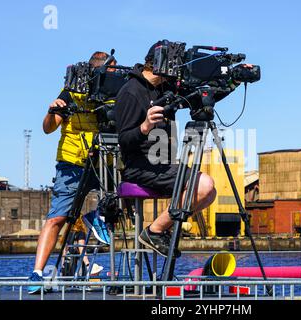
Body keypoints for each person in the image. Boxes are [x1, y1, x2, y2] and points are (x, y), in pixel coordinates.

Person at [115, 40, 225, 257]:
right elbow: (125, 140)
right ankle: (154, 231)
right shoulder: (131, 91)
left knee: (209, 193)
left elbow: (199, 96)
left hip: (162, 164)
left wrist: (233, 79)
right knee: (204, 185)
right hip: (140, 166)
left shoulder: (165, 87)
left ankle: (159, 229)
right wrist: (145, 127)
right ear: (162, 62)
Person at [27, 52, 115, 294]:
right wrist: (51, 110)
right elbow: (48, 128)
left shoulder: (113, 95)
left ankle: (96, 217)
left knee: (123, 196)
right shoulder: (71, 91)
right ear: (99, 69)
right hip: (71, 164)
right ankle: (37, 272)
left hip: (103, 162)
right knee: (57, 217)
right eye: (111, 71)